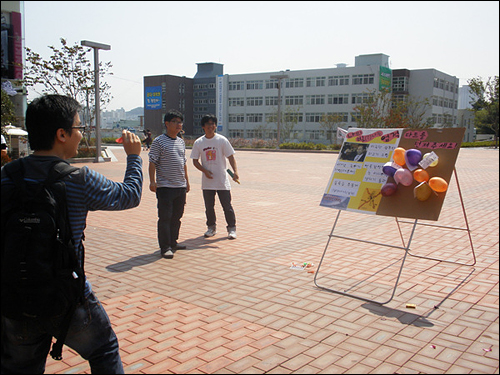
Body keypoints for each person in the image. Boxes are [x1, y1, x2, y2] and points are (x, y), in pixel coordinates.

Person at [1, 94, 143, 374]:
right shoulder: (79, 179)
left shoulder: (6, 176)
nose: (81, 135)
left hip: (15, 296)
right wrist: (134, 158)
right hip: (68, 296)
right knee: (103, 350)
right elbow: (129, 196)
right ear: (62, 134)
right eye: (80, 128)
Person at [148, 109, 190, 259]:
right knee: (165, 217)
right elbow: (152, 162)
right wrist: (152, 181)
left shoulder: (180, 142)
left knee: (177, 217)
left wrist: (187, 181)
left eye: (180, 122)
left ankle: (173, 242)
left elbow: (183, 163)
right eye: (175, 122)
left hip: (180, 186)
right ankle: (165, 247)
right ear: (167, 124)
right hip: (165, 187)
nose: (179, 125)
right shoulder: (158, 141)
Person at [191, 114, 239, 240]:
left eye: (213, 124)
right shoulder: (199, 142)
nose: (211, 126)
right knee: (209, 207)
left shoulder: (222, 140)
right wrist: (205, 171)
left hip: (222, 180)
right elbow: (195, 161)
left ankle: (232, 229)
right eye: (208, 124)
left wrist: (235, 172)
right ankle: (211, 228)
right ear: (203, 126)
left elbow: (231, 157)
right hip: (207, 182)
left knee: (227, 206)